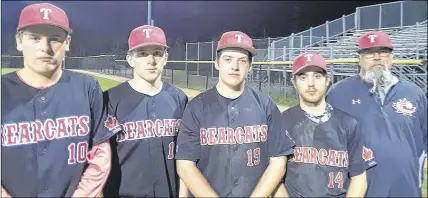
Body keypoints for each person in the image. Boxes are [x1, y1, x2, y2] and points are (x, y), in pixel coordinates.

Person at [1, 3, 118, 197]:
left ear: (68, 42)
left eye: (54, 39)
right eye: (35, 38)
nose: (45, 48)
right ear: (19, 41)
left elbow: (100, 153)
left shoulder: (87, 87)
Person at [174, 31, 295, 197]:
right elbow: (185, 164)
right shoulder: (196, 107)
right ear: (217, 63)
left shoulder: (266, 105)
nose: (235, 66)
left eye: (242, 60)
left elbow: (278, 161)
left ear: (250, 66)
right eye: (228, 59)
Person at [326, 31, 427, 197]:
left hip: (406, 190)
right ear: (359, 58)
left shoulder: (414, 94)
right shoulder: (338, 93)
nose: (377, 57)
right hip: (359, 190)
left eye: (383, 51)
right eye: (369, 52)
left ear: (392, 57)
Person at [102, 25, 188, 198]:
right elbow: (97, 162)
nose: (151, 60)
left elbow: (187, 156)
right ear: (130, 59)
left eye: (157, 53)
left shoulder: (179, 99)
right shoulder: (109, 100)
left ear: (166, 58)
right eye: (142, 54)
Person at [274, 52, 376, 197]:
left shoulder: (348, 123)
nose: (311, 83)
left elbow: (359, 177)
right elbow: (275, 177)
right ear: (294, 83)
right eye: (303, 77)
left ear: (327, 80)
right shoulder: (282, 122)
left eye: (317, 76)